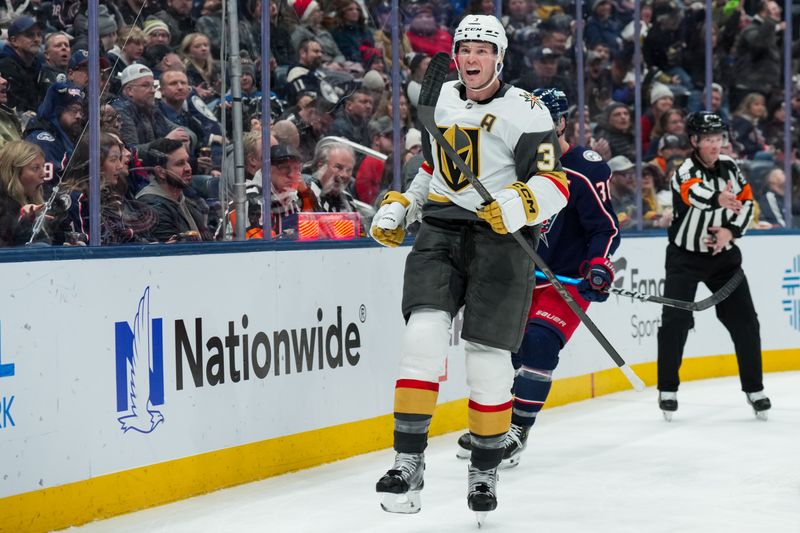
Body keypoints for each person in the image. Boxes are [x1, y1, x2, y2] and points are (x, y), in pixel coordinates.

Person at [370, 15, 568, 520]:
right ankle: (407, 464)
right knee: (422, 340)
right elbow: (437, 168)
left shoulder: (529, 113)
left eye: (483, 50)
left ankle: (483, 469)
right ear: (454, 56)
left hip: (501, 241)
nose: (472, 59)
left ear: (499, 58)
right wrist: (404, 204)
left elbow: (554, 184)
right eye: (465, 50)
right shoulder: (442, 101)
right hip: (441, 232)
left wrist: (519, 202)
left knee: (488, 364)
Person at [455, 87, 620, 468]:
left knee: (539, 343)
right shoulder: (513, 163)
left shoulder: (584, 167)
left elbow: (606, 227)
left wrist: (598, 263)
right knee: (499, 353)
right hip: (519, 274)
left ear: (562, 123)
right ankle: (495, 425)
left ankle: (516, 431)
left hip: (564, 281)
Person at [657, 111, 771, 421]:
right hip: (685, 258)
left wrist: (729, 232)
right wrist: (719, 199)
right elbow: (694, 194)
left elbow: (747, 203)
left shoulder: (731, 167)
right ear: (694, 141)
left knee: (746, 322)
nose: (714, 144)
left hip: (724, 258)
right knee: (675, 323)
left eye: (718, 138)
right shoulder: (684, 170)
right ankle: (668, 388)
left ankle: (754, 388)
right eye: (708, 139)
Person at [135, 138, 202, 242]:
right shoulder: (151, 205)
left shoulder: (183, 198)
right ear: (161, 172)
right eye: (180, 163)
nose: (188, 168)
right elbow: (175, 252)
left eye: (187, 161)